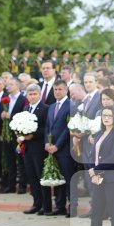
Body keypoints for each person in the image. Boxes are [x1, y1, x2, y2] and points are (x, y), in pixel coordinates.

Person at [88, 106, 114, 226]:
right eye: (104, 115)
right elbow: (93, 154)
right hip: (98, 177)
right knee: (96, 210)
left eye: (110, 115)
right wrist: (92, 171)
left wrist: (96, 170)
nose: (106, 118)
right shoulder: (99, 133)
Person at [45, 80, 75, 216]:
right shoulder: (51, 107)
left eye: (60, 89)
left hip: (64, 149)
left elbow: (68, 128)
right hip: (51, 148)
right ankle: (59, 206)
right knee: (58, 179)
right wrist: (47, 143)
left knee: (68, 178)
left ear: (66, 90)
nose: (57, 92)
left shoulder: (71, 105)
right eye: (55, 89)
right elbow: (47, 127)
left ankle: (72, 207)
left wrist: (57, 145)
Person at [21, 85, 49, 215]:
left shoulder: (45, 109)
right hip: (27, 148)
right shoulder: (26, 108)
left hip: (39, 148)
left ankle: (46, 204)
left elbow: (46, 128)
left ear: (39, 95)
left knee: (41, 177)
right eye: (30, 94)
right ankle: (36, 203)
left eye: (34, 94)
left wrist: (33, 135)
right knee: (31, 177)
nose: (32, 96)